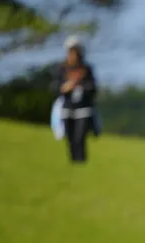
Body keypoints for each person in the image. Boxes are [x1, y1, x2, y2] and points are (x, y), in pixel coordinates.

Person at [53, 36, 98, 164]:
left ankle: (81, 160)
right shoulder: (62, 68)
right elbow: (56, 87)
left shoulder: (86, 69)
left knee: (80, 136)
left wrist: (80, 86)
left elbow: (93, 88)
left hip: (83, 109)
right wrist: (65, 88)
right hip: (68, 108)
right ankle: (73, 160)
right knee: (70, 136)